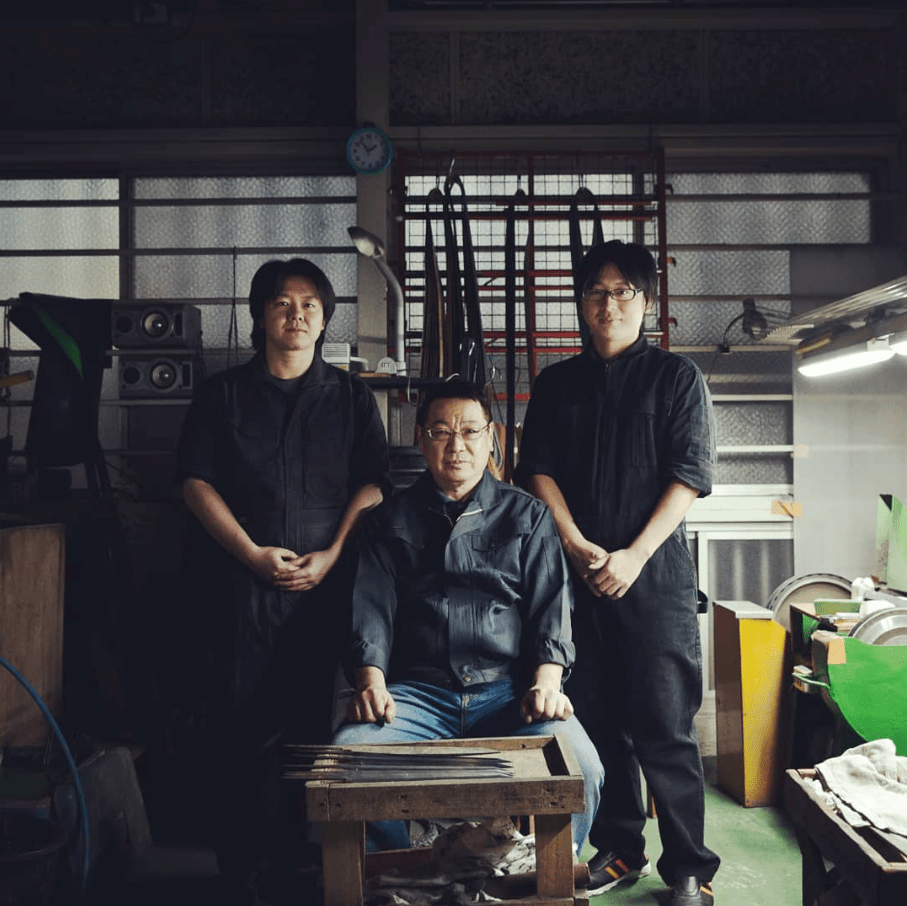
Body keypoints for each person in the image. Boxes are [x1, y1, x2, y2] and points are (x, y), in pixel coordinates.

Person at [176, 257, 390, 902]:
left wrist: (332, 553)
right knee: (240, 726)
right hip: (240, 591)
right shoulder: (222, 395)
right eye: (281, 303)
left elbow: (373, 485)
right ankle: (243, 869)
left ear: (325, 320)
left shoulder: (350, 397)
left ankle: (302, 862)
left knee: (312, 728)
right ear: (260, 315)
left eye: (309, 305)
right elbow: (195, 482)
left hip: (325, 588)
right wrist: (250, 555)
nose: (296, 315)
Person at [515, 240, 720, 906]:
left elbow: (688, 476)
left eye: (623, 291)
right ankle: (620, 848)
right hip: (575, 580)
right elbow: (536, 470)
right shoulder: (556, 385)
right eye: (596, 292)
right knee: (598, 721)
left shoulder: (677, 379)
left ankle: (689, 868)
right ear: (581, 302)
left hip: (653, 580)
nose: (609, 304)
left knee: (664, 727)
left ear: (647, 301)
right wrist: (573, 543)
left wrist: (633, 555)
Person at [332, 381, 603, 856]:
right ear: (420, 439)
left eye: (470, 431)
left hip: (508, 695)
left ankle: (534, 876)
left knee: (581, 764)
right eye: (440, 432)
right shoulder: (387, 520)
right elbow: (369, 610)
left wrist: (547, 682)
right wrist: (370, 682)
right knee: (347, 761)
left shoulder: (530, 516)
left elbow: (551, 608)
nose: (456, 446)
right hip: (415, 698)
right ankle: (412, 870)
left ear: (491, 437)